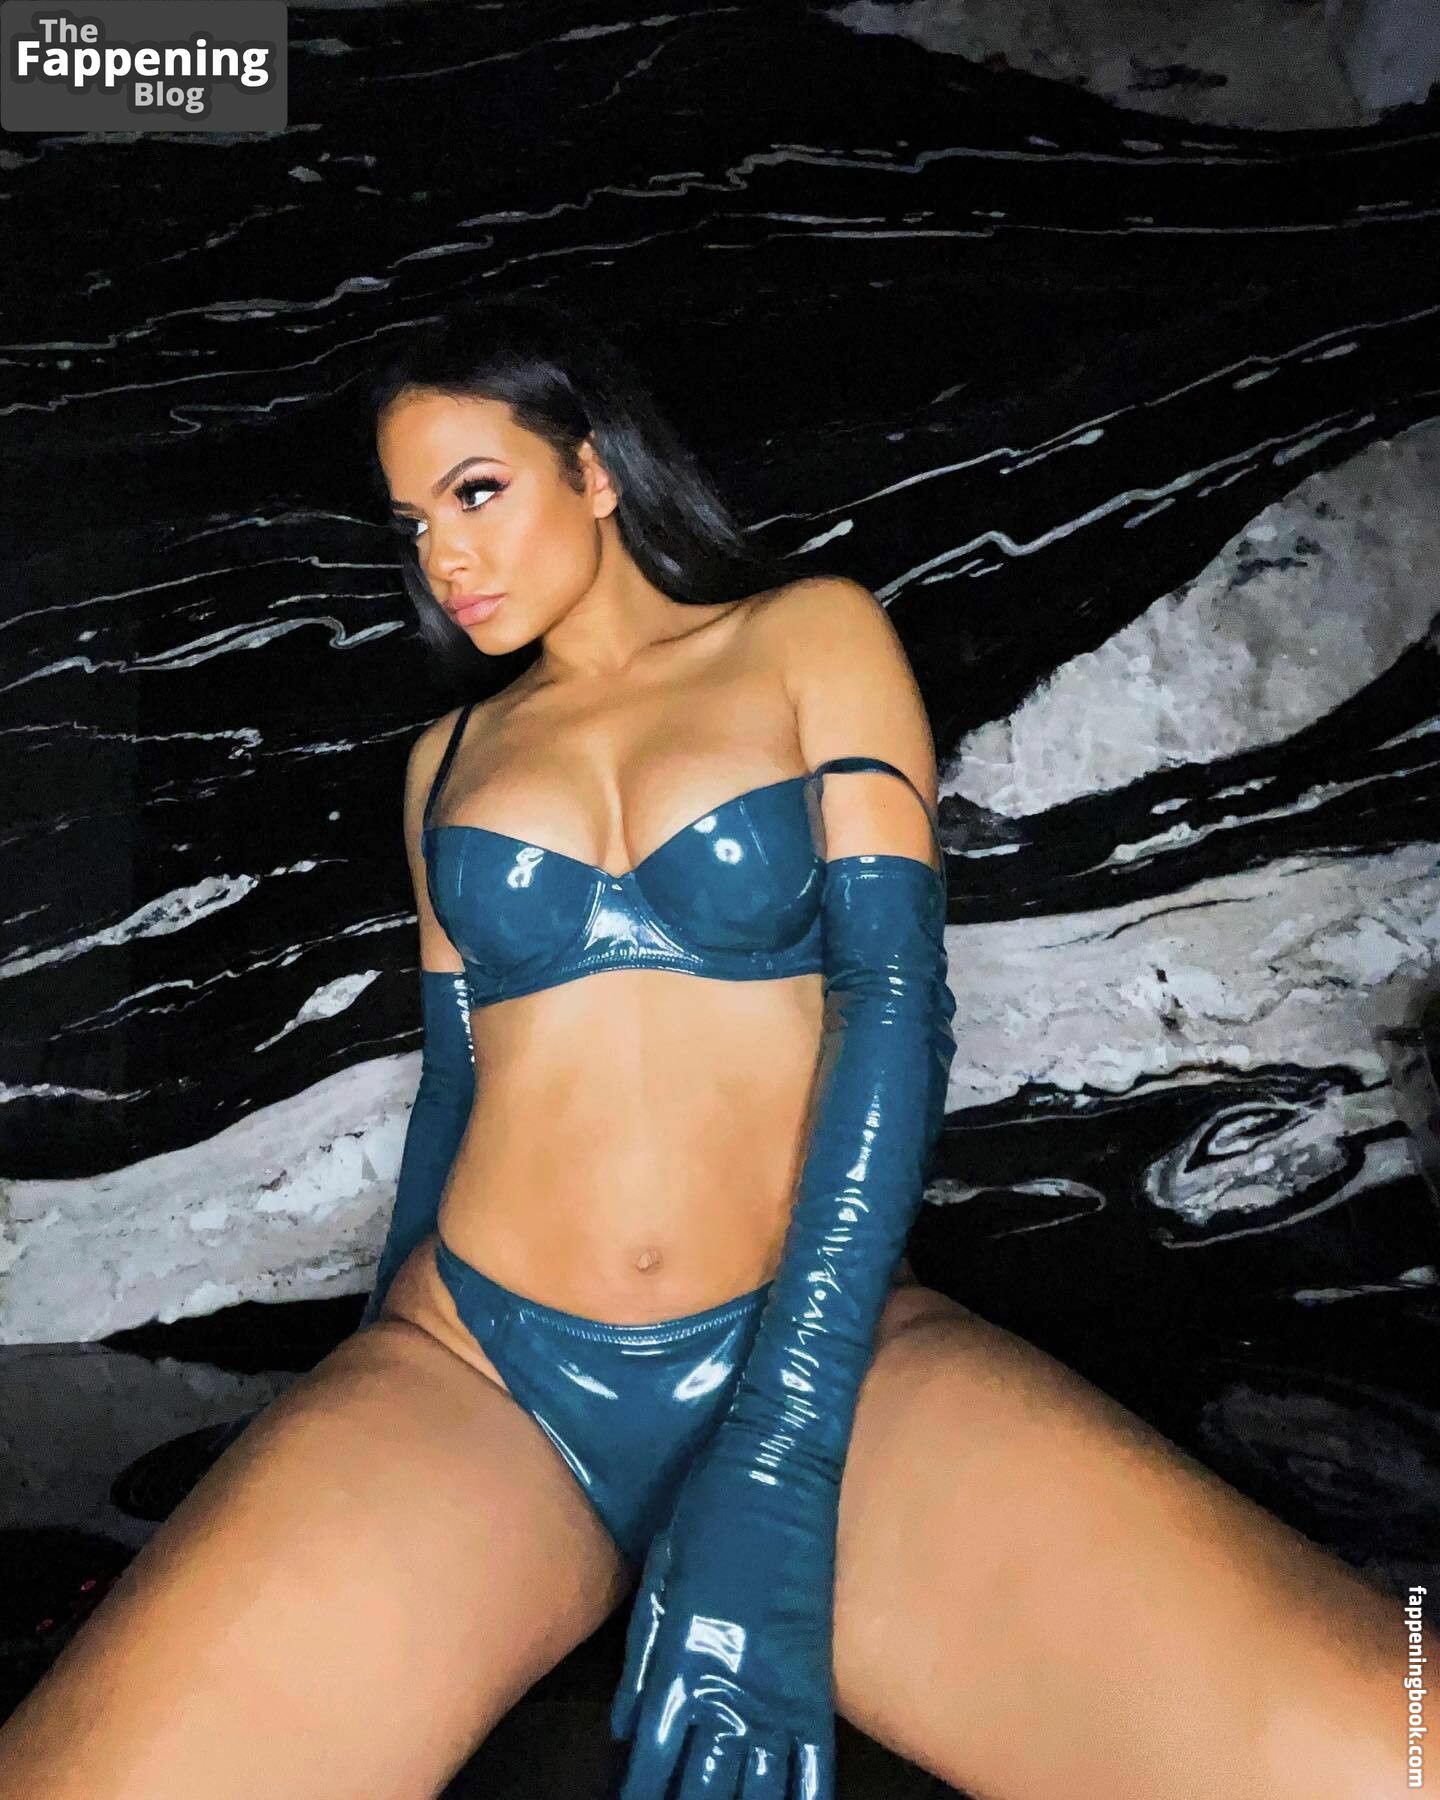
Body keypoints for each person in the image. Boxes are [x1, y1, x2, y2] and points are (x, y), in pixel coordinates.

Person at [0, 297, 1402, 1800]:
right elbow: (459, 1085)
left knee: (1382, 1748)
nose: (444, 558)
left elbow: (892, 1005)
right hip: (479, 1370)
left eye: (476, 492)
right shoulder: (446, 761)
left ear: (595, 470)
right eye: (414, 524)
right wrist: (362, 1396)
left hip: (817, 1343)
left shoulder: (809, 635)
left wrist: (784, 1448)